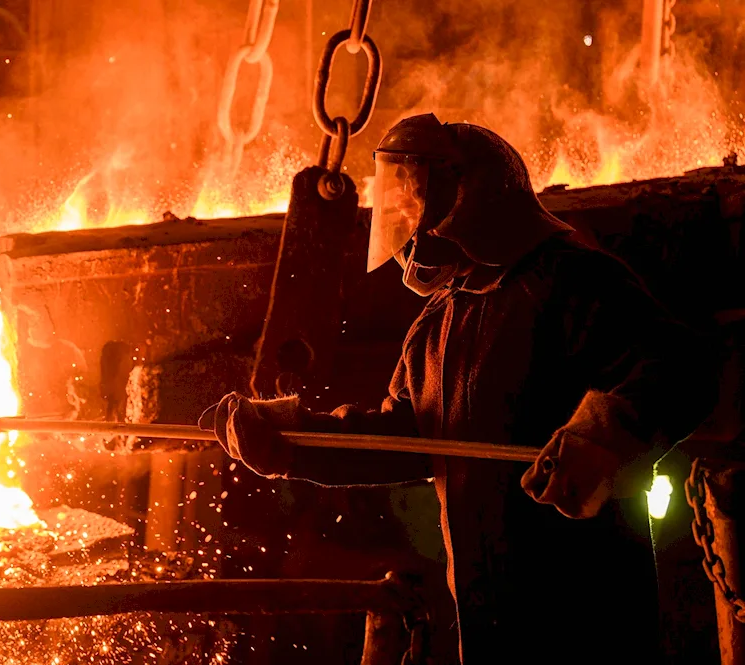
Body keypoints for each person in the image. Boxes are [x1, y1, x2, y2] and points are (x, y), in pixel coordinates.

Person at [199, 114, 719, 664]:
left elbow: (683, 365)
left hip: (589, 617)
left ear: (469, 196)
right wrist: (293, 440)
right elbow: (402, 437)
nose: (403, 217)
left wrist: (605, 434)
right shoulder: (439, 321)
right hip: (489, 617)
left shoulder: (572, 280)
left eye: (415, 198)